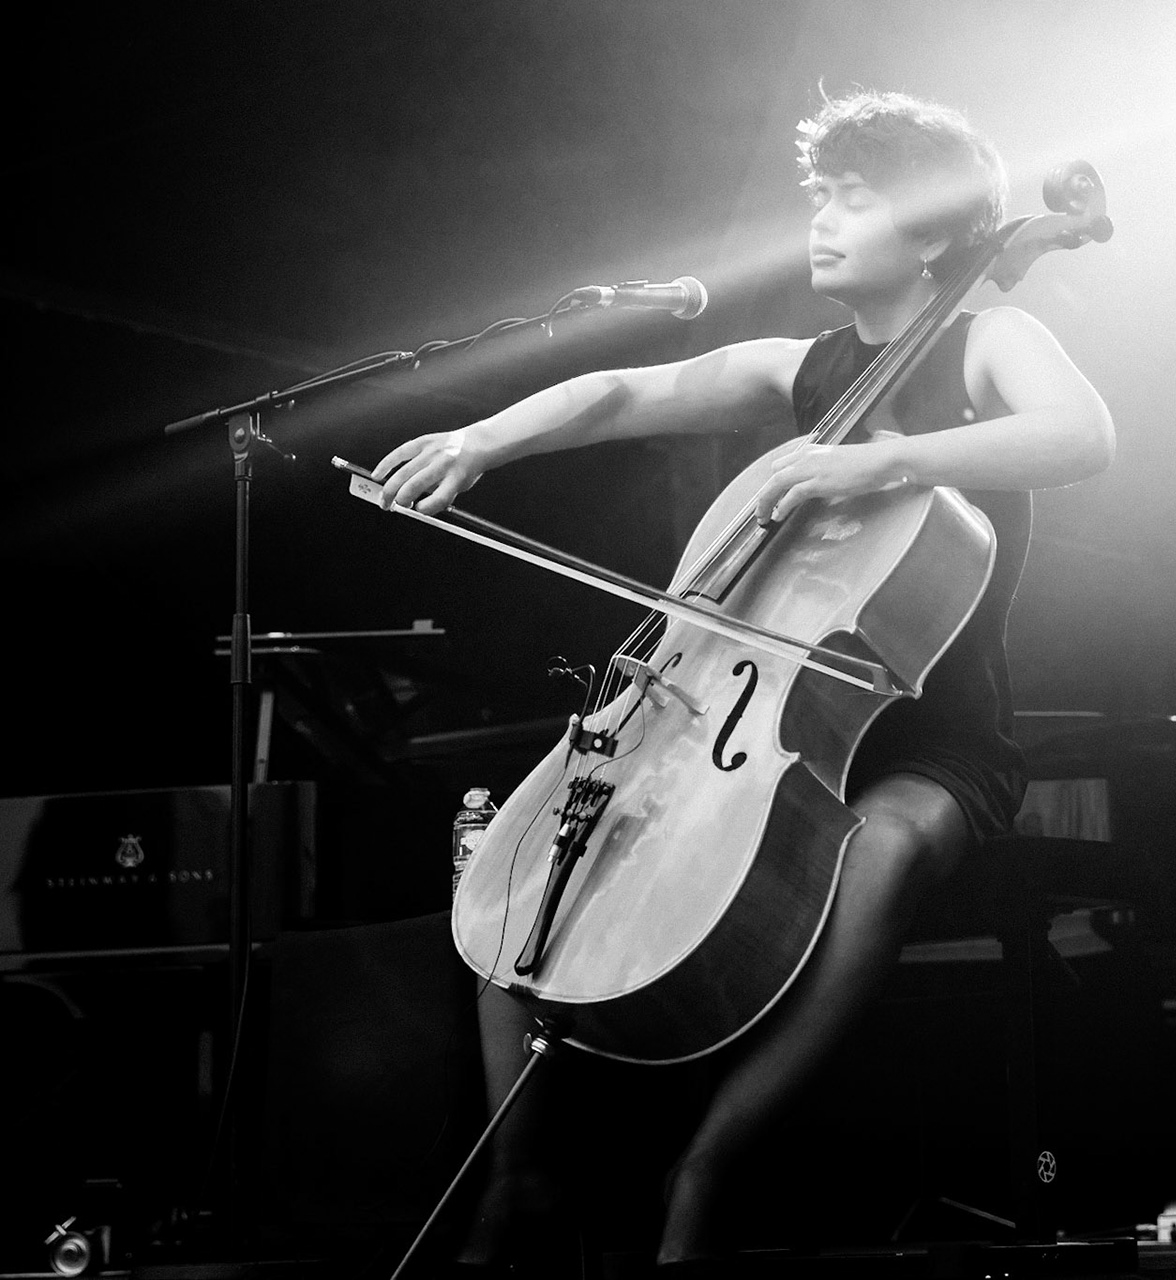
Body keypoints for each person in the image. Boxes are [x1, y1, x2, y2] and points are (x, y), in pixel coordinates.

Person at [373, 89, 1114, 1271]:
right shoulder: (804, 368)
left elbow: (1083, 436)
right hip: (747, 716)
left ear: (931, 230)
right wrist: (483, 441)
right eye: (817, 194)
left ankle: (713, 1163)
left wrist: (888, 463)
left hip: (930, 741)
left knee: (879, 844)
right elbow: (629, 391)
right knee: (529, 863)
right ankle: (523, 1178)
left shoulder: (991, 341)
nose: (819, 218)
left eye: (852, 198)